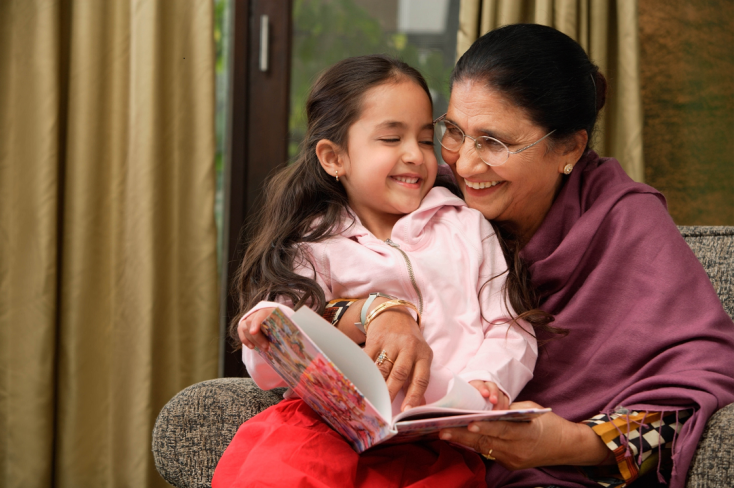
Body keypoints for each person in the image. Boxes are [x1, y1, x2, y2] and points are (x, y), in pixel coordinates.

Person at [328, 24, 734, 487]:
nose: (463, 165)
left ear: (570, 148)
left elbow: (697, 389)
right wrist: (378, 311)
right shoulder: (425, 198)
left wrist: (571, 443)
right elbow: (303, 298)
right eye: (455, 132)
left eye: (494, 143)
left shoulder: (625, 223)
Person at [211, 54, 541, 488]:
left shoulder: (468, 227)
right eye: (390, 138)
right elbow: (273, 362)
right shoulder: (316, 242)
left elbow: (509, 326)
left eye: (426, 140)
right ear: (333, 158)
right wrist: (267, 327)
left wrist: (486, 382)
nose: (415, 156)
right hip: (325, 428)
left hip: (437, 440)